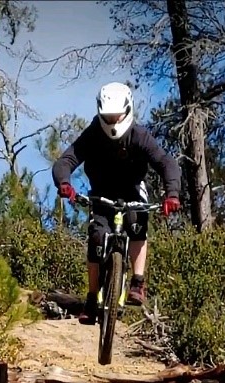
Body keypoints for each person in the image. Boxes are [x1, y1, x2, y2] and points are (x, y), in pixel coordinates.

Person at [52, 82, 181, 324]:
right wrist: (64, 183)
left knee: (137, 224)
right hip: (101, 192)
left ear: (128, 111)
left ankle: (138, 283)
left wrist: (172, 194)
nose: (112, 122)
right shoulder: (92, 134)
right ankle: (92, 298)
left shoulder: (139, 136)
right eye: (107, 117)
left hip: (132, 190)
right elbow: (66, 160)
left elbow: (165, 162)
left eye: (116, 116)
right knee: (97, 238)